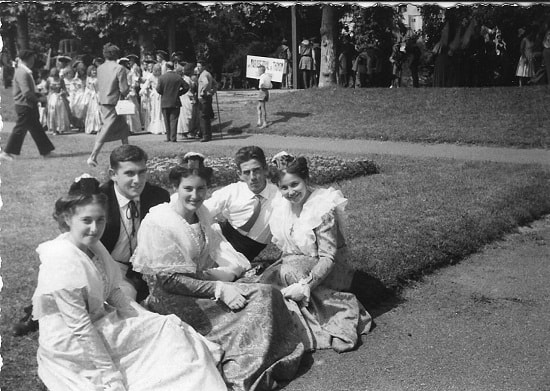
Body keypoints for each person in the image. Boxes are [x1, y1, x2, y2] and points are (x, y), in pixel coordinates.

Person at [32, 175, 226, 391]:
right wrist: (111, 375)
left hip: (99, 321)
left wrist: (146, 318)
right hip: (71, 342)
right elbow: (80, 328)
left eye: (101, 220)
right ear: (68, 219)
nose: (95, 228)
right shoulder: (62, 259)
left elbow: (113, 292)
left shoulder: (94, 246)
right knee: (169, 343)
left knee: (167, 326)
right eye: (87, 220)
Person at [131, 153, 305, 391]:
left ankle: (273, 360)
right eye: (188, 189)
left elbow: (216, 249)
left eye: (201, 188)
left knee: (267, 292)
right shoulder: (160, 221)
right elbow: (169, 281)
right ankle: (244, 371)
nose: (195, 195)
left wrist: (234, 273)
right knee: (260, 300)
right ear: (175, 187)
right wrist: (220, 289)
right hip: (171, 298)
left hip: (198, 286)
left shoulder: (200, 213)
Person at [260, 152, 372, 353]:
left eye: (295, 184)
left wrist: (305, 285)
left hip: (332, 270)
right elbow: (289, 248)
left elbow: (328, 257)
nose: (290, 192)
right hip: (300, 262)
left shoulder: (322, 206)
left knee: (287, 273)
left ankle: (340, 313)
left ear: (306, 179)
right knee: (267, 281)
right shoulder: (282, 206)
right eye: (284, 187)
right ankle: (297, 316)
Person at [99, 144, 170, 302]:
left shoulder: (158, 197)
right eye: (129, 173)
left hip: (146, 270)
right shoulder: (99, 200)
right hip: (110, 268)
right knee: (126, 304)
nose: (137, 181)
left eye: (142, 172)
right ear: (113, 174)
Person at [204, 146, 278, 262]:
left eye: (256, 170)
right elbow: (203, 211)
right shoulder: (233, 191)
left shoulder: (280, 197)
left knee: (222, 275)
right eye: (247, 172)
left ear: (265, 169)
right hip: (216, 237)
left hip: (240, 256)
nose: (253, 177)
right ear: (240, 174)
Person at [0, 49, 55, 162]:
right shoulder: (22, 72)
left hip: (27, 105)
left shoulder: (24, 71)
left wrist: (39, 96)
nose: (34, 60)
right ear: (28, 59)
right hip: (24, 105)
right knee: (20, 129)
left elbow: (30, 90)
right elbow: (26, 92)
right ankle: (6, 152)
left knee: (36, 128)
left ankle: (46, 151)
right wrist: (39, 99)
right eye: (32, 57)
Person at [87, 43, 130, 168]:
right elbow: (124, 88)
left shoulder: (100, 68)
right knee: (106, 128)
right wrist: (127, 91)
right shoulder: (119, 68)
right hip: (115, 101)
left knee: (122, 126)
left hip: (103, 100)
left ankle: (127, 152)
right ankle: (93, 156)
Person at [156, 61, 188, 142]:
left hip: (165, 101)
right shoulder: (178, 77)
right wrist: (179, 93)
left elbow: (158, 89)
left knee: (166, 121)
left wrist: (163, 93)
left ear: (166, 68)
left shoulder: (161, 78)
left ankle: (168, 137)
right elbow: (186, 86)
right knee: (174, 120)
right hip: (175, 101)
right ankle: (173, 138)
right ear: (173, 67)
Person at [141, 63, 165, 135]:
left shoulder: (159, 77)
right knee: (156, 110)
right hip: (156, 95)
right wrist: (142, 91)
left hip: (157, 95)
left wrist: (141, 91)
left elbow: (145, 85)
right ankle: (158, 127)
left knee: (157, 111)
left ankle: (158, 128)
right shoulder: (153, 76)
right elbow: (146, 85)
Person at [45, 67, 71, 135]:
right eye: (53, 75)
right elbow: (46, 88)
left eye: (55, 75)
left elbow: (64, 89)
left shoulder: (61, 80)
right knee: (52, 113)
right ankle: (53, 129)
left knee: (60, 113)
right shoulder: (49, 80)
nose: (54, 77)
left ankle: (60, 128)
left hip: (58, 97)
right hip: (51, 98)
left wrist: (62, 92)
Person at [177, 62, 199, 139]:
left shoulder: (189, 78)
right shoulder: (186, 79)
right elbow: (192, 88)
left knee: (190, 115)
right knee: (187, 115)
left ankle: (189, 131)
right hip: (187, 97)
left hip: (188, 97)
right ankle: (185, 132)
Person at [196, 60, 217, 142]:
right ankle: (207, 134)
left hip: (203, 97)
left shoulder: (203, 75)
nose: (198, 68)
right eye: (197, 66)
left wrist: (202, 91)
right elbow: (215, 84)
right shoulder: (208, 74)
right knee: (206, 116)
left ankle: (205, 135)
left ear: (204, 66)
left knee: (203, 116)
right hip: (208, 96)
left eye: (199, 66)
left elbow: (206, 83)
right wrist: (212, 91)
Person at [83, 65, 101, 134]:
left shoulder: (98, 78)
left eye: (95, 70)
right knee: (91, 111)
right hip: (91, 97)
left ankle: (98, 127)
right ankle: (91, 128)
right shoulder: (88, 79)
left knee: (97, 110)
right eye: (92, 70)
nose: (94, 71)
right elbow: (87, 88)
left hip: (97, 95)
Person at [256, 65, 272, 129]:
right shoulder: (267, 76)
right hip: (266, 92)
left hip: (262, 92)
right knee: (258, 107)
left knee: (263, 108)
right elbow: (271, 85)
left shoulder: (262, 77)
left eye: (258, 71)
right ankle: (259, 121)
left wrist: (262, 87)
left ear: (261, 71)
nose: (258, 72)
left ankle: (264, 123)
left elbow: (262, 84)